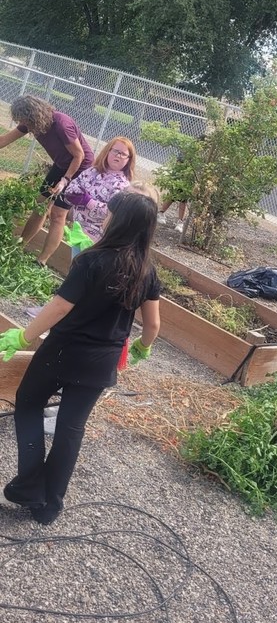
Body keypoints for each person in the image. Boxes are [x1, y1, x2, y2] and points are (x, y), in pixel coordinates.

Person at [0, 192, 161, 525]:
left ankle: (31, 483)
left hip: (63, 351)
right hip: (102, 362)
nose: (104, 218)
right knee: (70, 427)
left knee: (29, 403)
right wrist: (142, 348)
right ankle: (50, 506)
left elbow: (60, 307)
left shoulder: (92, 260)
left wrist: (23, 336)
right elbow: (154, 324)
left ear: (119, 221)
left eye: (109, 214)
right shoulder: (147, 271)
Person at [0, 96, 94, 265]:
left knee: (58, 214)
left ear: (35, 115)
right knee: (40, 205)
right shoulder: (31, 124)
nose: (24, 125)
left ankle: (41, 261)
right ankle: (18, 246)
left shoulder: (61, 124)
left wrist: (65, 180)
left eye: (25, 121)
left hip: (80, 169)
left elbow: (79, 155)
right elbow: (5, 140)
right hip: (61, 165)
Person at [64, 136, 136, 241]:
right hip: (77, 228)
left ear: (129, 160)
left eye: (123, 154)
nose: (118, 155)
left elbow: (113, 212)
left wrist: (88, 202)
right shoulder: (92, 171)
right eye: (115, 151)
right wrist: (71, 195)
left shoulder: (122, 185)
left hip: (96, 237)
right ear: (107, 151)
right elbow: (73, 186)